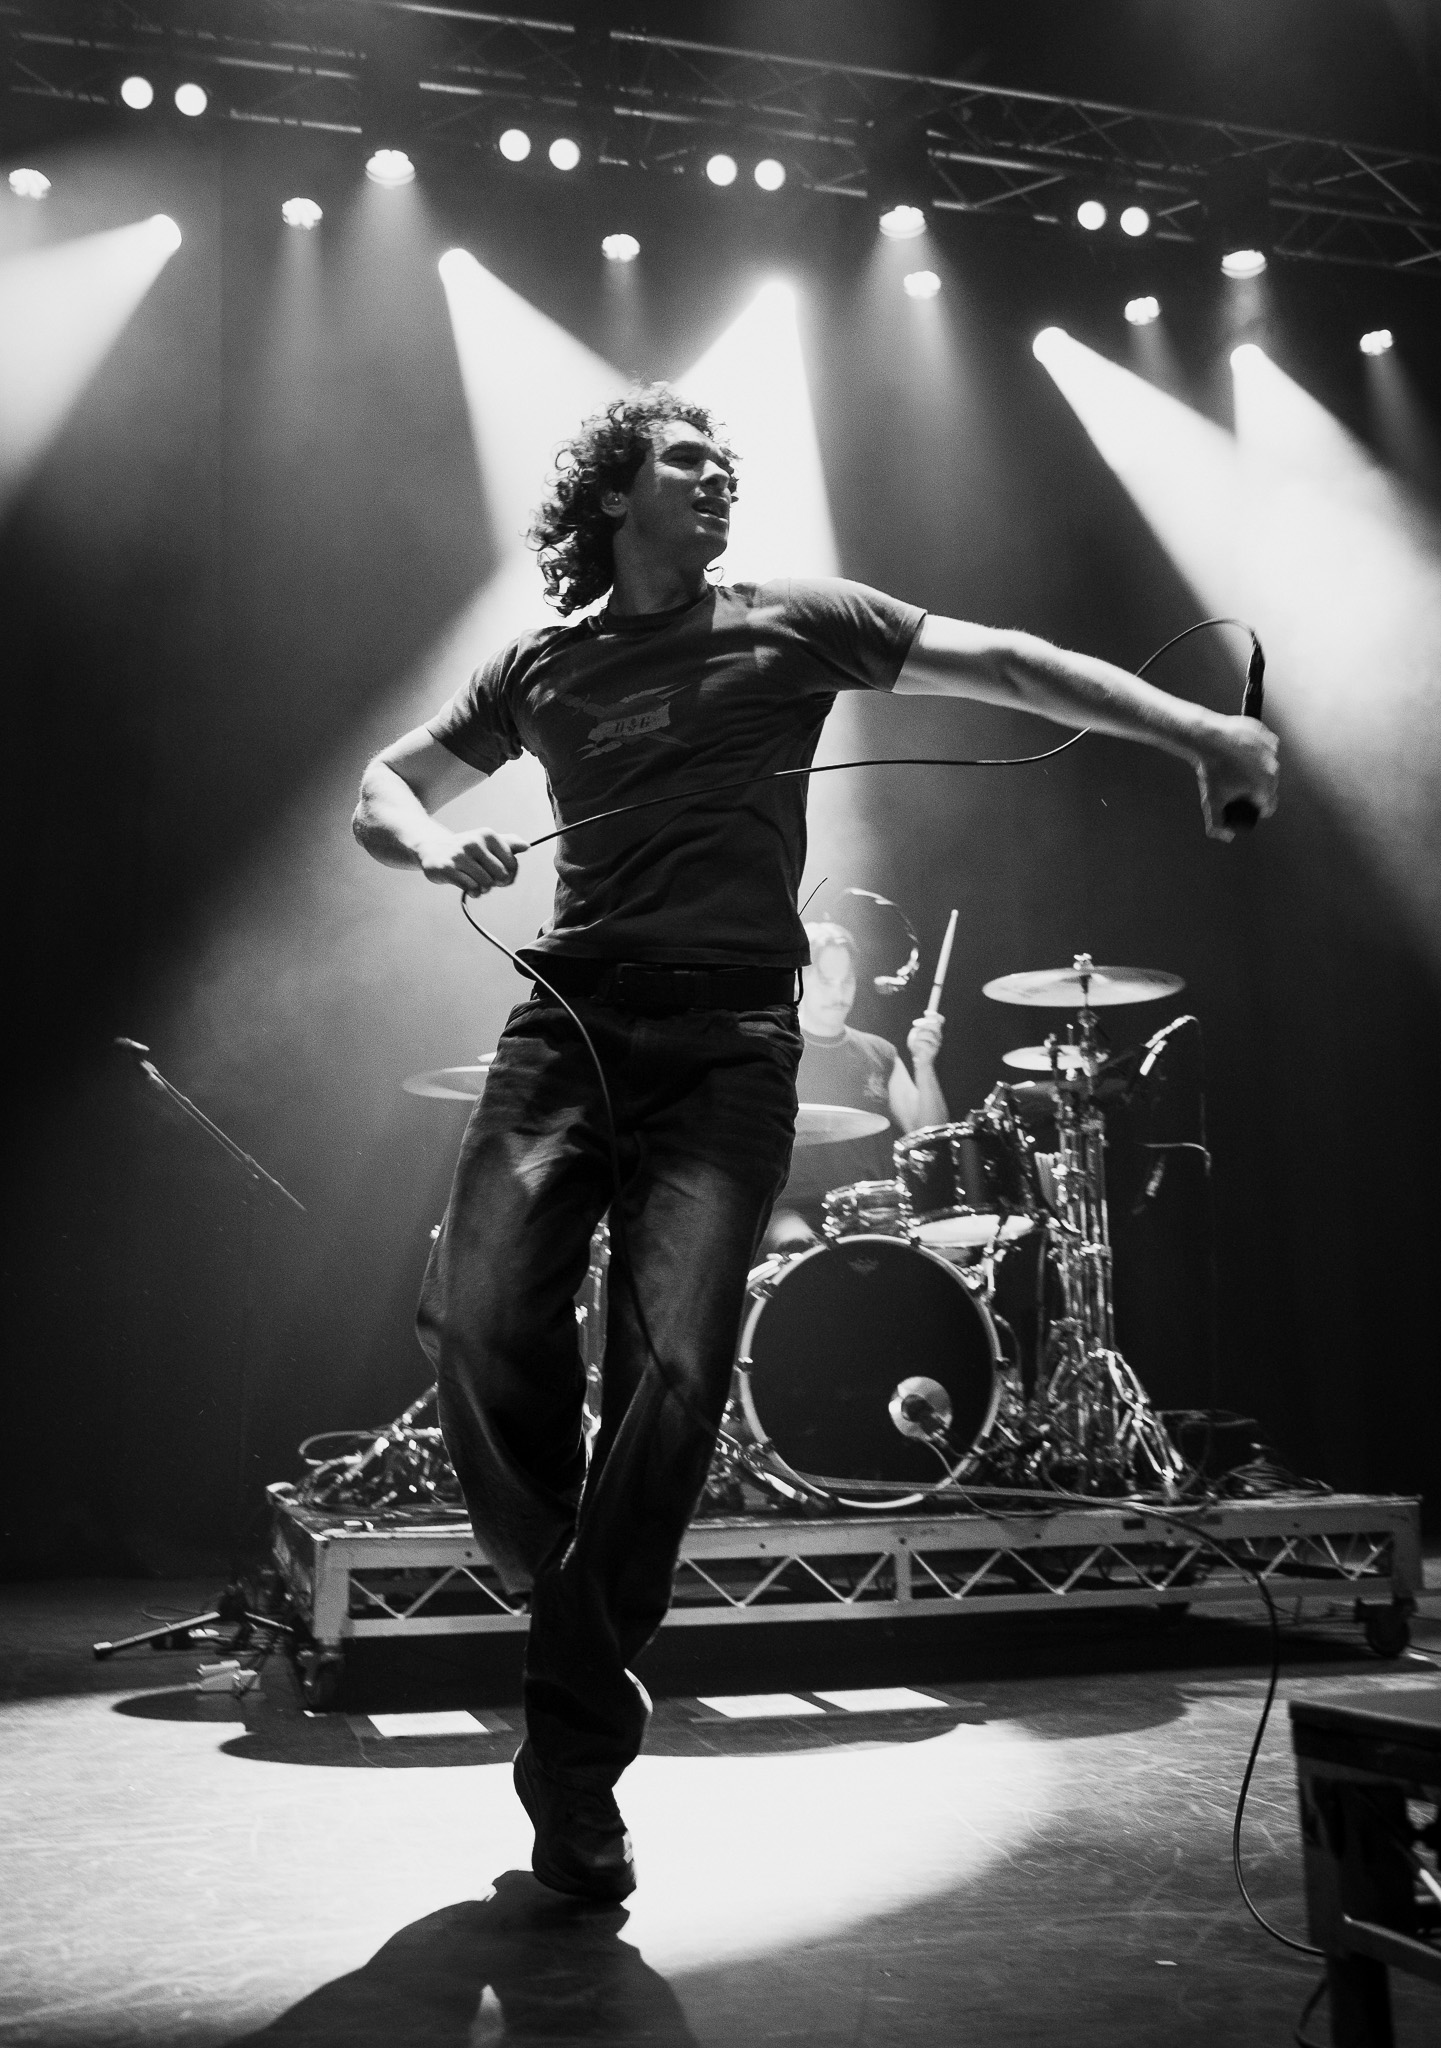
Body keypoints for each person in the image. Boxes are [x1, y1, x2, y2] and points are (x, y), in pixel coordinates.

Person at [352, 385, 1278, 1902]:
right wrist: (434, 842)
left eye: (729, 462)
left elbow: (1010, 661)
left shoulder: (797, 618)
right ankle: (567, 1598)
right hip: (572, 1020)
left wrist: (1201, 729)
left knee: (672, 1373)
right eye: (687, 459)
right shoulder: (544, 666)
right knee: (472, 1309)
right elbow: (381, 789)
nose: (719, 477)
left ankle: (573, 1756)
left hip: (730, 1044)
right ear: (614, 495)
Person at [765, 919, 946, 1252]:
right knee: (795, 1244)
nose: (839, 994)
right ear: (797, 981)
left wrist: (924, 1064)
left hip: (870, 1209)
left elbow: (929, 1137)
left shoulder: (879, 1052)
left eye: (846, 980)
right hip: (791, 1209)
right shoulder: (774, 1051)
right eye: (825, 981)